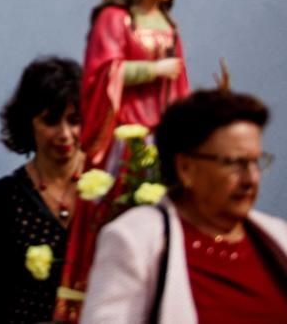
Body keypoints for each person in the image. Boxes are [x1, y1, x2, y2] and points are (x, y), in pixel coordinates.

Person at [57, 0, 190, 320]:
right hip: (122, 138)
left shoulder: (168, 24)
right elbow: (101, 72)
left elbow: (180, 86)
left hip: (161, 137)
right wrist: (153, 70)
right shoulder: (115, 18)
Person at [81, 88, 287, 323]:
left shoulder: (278, 237)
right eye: (235, 163)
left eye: (256, 162)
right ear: (185, 168)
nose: (251, 179)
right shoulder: (136, 241)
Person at [0, 57, 83, 324]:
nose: (64, 134)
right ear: (28, 123)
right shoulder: (3, 199)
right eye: (51, 121)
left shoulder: (109, 191)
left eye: (74, 120)